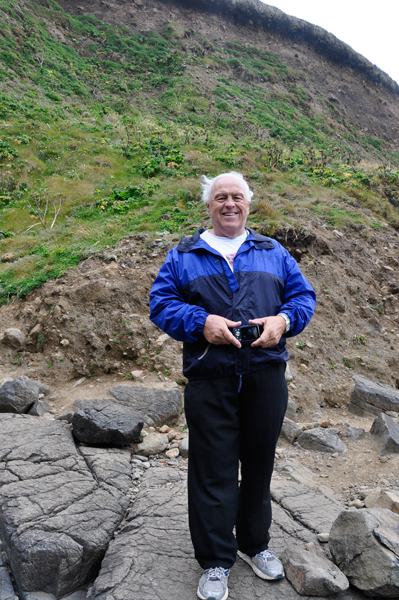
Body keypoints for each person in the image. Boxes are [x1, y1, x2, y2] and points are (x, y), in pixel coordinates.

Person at [149, 172, 316, 600]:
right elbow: (161, 304)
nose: (229, 204)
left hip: (265, 375)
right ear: (209, 205)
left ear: (248, 203)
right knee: (213, 469)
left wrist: (283, 321)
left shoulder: (273, 251)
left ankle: (254, 545)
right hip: (211, 377)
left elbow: (303, 298)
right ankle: (216, 561)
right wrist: (201, 323)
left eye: (236, 197)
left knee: (259, 464)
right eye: (220, 197)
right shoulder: (184, 255)